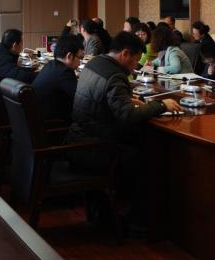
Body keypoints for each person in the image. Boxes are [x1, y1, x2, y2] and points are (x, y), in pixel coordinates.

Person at [66, 31, 182, 229]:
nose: (135, 66)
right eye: (135, 60)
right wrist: (162, 105)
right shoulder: (115, 76)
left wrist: (128, 100)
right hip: (93, 148)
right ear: (125, 54)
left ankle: (113, 210)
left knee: (137, 145)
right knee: (147, 160)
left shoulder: (95, 63)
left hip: (77, 138)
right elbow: (127, 116)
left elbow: (105, 100)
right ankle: (139, 224)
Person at [33, 34, 82, 123]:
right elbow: (80, 99)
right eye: (80, 58)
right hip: (53, 124)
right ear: (69, 56)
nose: (80, 62)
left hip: (37, 119)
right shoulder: (65, 72)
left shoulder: (50, 65)